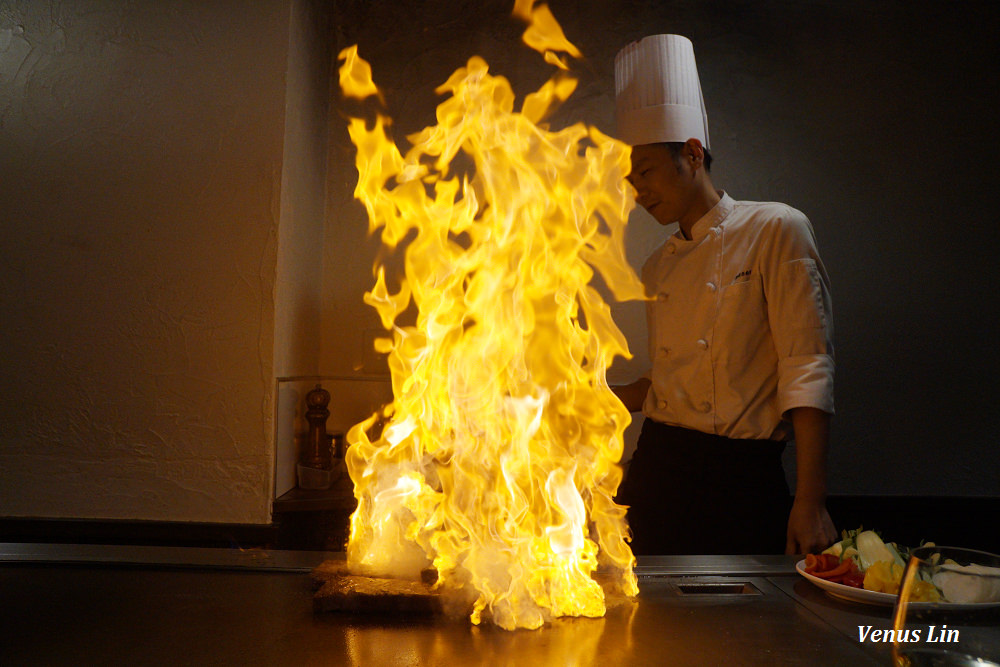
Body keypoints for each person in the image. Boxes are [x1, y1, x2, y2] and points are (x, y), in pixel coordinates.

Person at [612, 34, 837, 555]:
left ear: (692, 154)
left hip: (742, 476)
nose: (638, 190)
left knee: (749, 627)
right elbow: (670, 385)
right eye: (630, 178)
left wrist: (811, 500)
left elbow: (807, 368)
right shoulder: (657, 267)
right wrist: (576, 401)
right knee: (643, 619)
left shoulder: (777, 229)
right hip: (659, 469)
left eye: (645, 171)